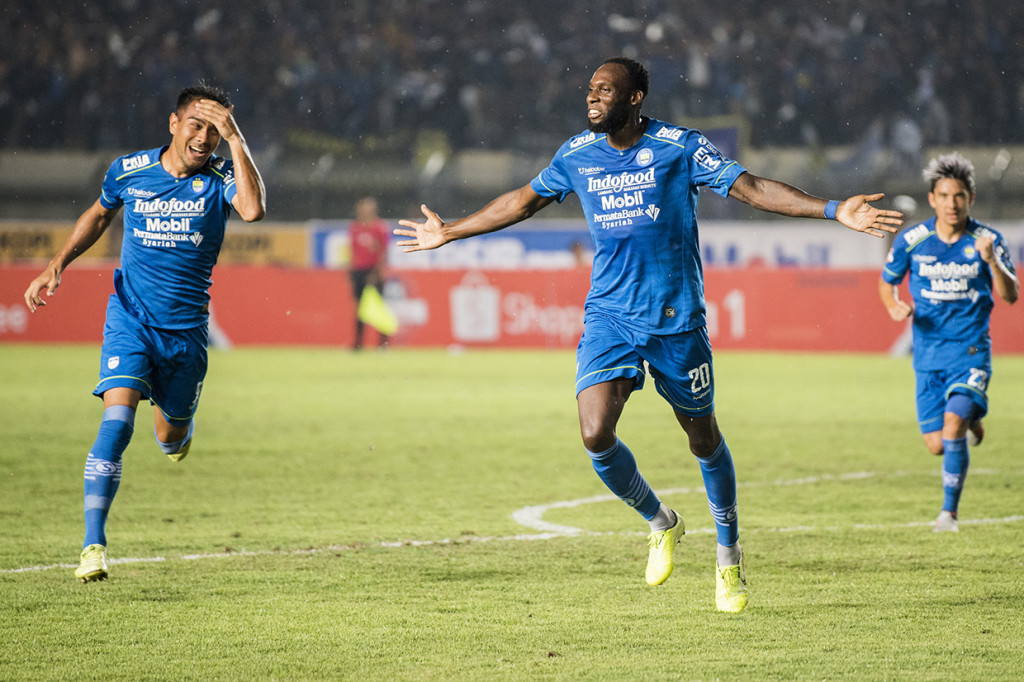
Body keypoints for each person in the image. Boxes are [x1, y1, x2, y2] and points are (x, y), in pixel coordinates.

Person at [396, 56, 903, 612]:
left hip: (675, 321)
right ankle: (661, 521)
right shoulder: (576, 155)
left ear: (635, 98)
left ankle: (728, 559)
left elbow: (751, 188)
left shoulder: (679, 147)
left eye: (605, 90)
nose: (592, 98)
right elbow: (522, 201)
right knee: (594, 434)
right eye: (589, 88)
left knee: (703, 439)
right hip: (609, 317)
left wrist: (833, 210)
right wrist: (451, 230)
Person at [23, 84, 267, 582]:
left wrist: (237, 139)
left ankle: (179, 428)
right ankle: (94, 545)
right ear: (173, 124)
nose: (205, 138)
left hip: (185, 336)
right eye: (196, 125)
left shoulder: (221, 176)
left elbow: (253, 210)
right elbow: (99, 213)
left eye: (215, 130)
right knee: (116, 423)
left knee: (170, 438)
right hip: (130, 319)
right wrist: (57, 264)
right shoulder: (129, 171)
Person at [879, 152, 1018, 532]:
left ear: (970, 198)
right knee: (937, 444)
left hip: (970, 352)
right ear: (932, 199)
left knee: (952, 424)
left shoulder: (988, 240)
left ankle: (948, 514)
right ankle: (973, 419)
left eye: (959, 196)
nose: (952, 203)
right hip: (928, 357)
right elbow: (886, 282)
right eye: (944, 195)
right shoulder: (913, 240)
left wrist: (993, 263)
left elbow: (1010, 295)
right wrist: (893, 306)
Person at [348, 196, 392, 350]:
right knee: (359, 309)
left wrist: (377, 272)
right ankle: (358, 343)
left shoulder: (379, 227)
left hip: (373, 271)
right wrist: (351, 269)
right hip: (358, 271)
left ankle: (383, 343)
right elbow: (353, 250)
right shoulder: (354, 227)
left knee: (378, 307)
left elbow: (383, 251)